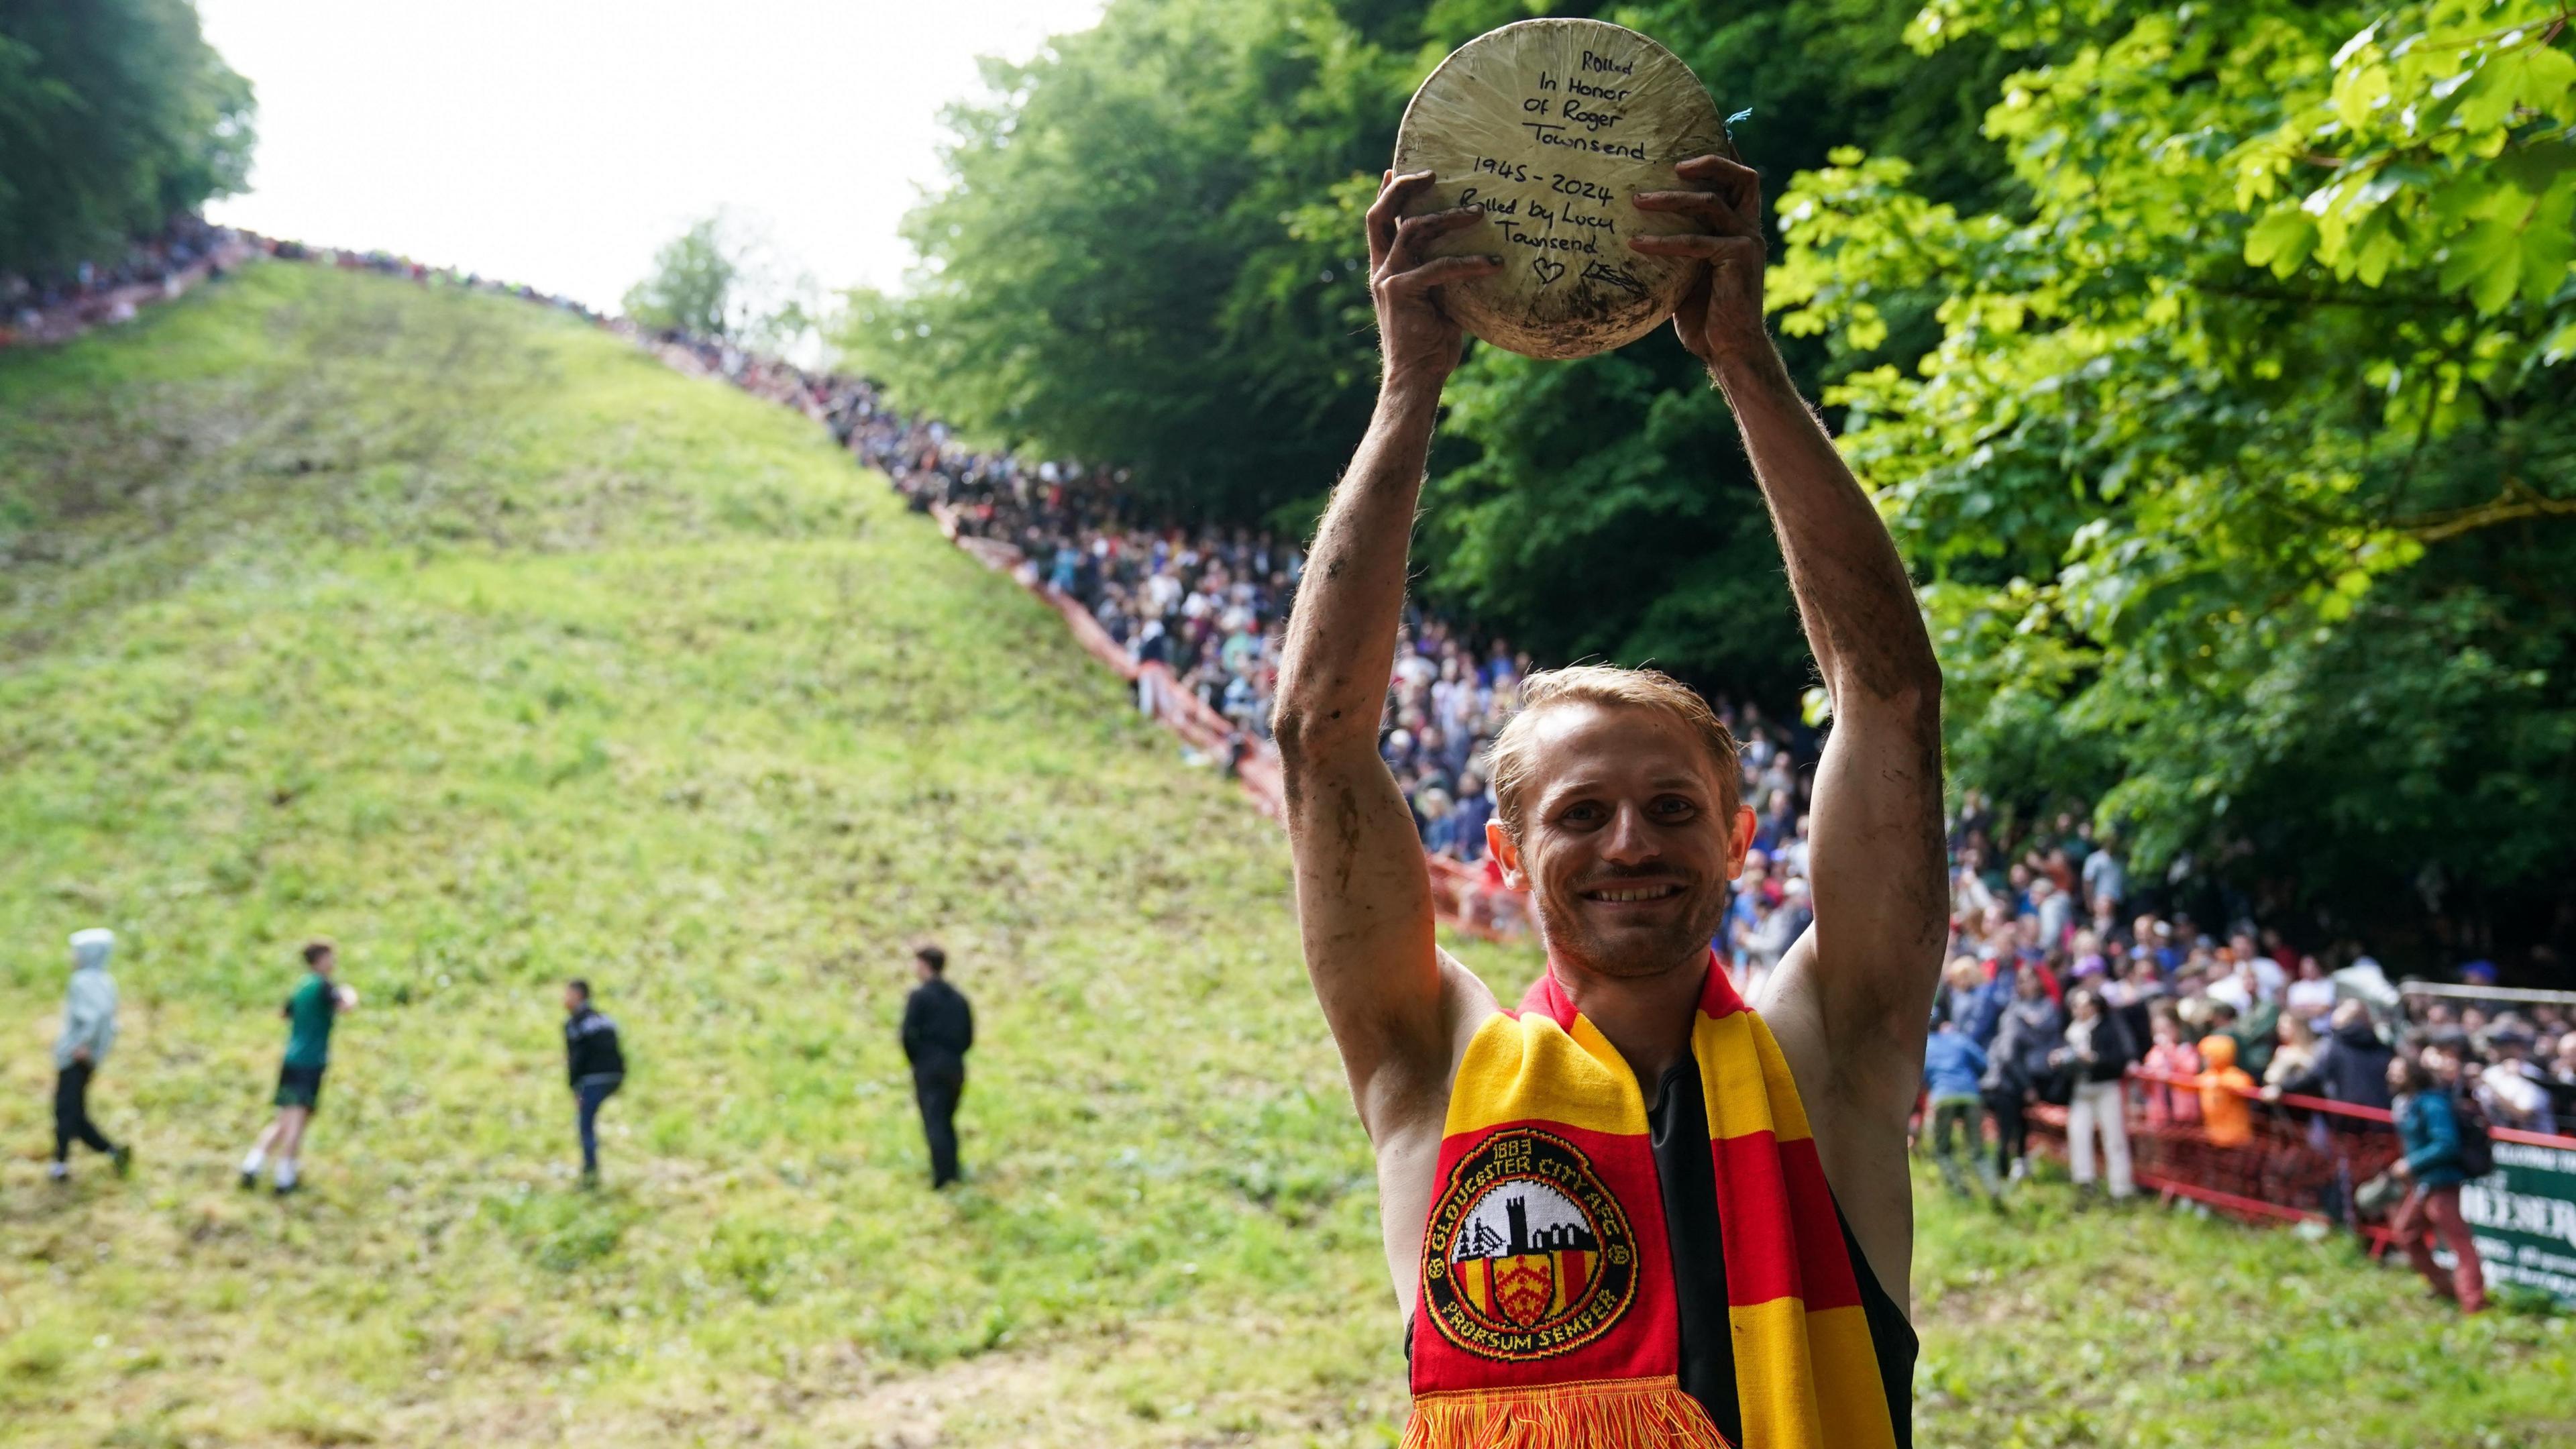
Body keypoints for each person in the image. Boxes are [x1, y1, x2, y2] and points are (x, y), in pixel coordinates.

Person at [1275, 160, 1943, 1446]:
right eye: (1580, 814)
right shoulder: (1437, 1067)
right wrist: (1408, 390)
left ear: (1743, 839)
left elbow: (1891, 699)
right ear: (1507, 859)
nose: (1631, 841)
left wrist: (1745, 360)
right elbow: (1320, 738)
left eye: (1674, 807)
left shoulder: (1834, 1052)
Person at [239, 941, 356, 1195]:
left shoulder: (301, 986)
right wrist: (350, 994)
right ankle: (285, 1176)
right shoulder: (323, 985)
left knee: (284, 1118)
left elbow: (284, 1013)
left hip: (291, 1059)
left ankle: (253, 1164)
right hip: (310, 1062)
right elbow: (345, 1006)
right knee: (298, 1121)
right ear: (321, 959)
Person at [2386, 1054, 2487, 1313]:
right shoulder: (2411, 1103)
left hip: (2441, 1182)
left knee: (2459, 1242)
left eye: (2398, 1071)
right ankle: (2445, 1287)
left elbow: (2446, 1144)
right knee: (2407, 1232)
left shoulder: (2432, 1104)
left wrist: (2412, 1163)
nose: (2391, 1076)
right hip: (2424, 1183)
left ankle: (2473, 1304)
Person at [51, 928, 132, 1182]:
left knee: (66, 1110)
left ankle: (61, 1164)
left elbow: (96, 1017)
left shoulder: (84, 981)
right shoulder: (104, 981)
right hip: (87, 1056)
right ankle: (112, 1152)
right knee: (74, 1112)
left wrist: (82, 1044)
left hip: (76, 1056)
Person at [900, 944, 973, 1188]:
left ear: (924, 965)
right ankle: (953, 1171)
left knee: (934, 1121)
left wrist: (918, 1060)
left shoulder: (920, 997)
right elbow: (968, 1037)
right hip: (955, 1066)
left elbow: (908, 1034)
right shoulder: (959, 999)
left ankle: (942, 1178)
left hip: (929, 1065)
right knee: (948, 1120)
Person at [2054, 987, 2137, 1200]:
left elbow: (2119, 1060)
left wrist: (2095, 1059)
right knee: (2078, 1133)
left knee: (2114, 1137)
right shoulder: (2072, 1031)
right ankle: (2084, 1180)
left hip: (2106, 1087)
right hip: (2081, 1089)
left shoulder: (2109, 1028)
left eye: (2084, 1005)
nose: (2079, 1010)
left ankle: (2121, 1187)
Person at [1923, 1017, 2000, 1201]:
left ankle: (1961, 1193)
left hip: (1943, 1097)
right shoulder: (1958, 1039)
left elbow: (1920, 1076)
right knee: (1977, 1151)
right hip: (1970, 1095)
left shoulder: (1924, 1047)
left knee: (1943, 1150)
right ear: (1942, 1025)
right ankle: (1993, 1189)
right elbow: (1983, 1062)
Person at [563, 979, 626, 1183]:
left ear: (578, 995)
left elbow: (576, 1058)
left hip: (592, 1079)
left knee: (585, 1125)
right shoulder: (605, 1020)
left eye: (567, 994)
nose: (564, 999)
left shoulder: (575, 1024)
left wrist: (574, 1087)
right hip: (615, 1075)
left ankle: (590, 1174)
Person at [2196, 1034, 2255, 1148]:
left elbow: (2244, 1084)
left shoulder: (2233, 1074)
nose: (2204, 1060)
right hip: (2214, 1133)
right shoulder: (2208, 1075)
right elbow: (2190, 1084)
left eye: (2207, 1056)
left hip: (2235, 1136)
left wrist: (2219, 1083)